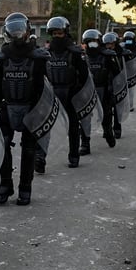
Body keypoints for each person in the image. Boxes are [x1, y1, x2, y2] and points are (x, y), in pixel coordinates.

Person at [0, 12, 49, 206]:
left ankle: (25, 187)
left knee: (29, 150)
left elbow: (42, 88)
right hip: (8, 107)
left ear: (27, 31)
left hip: (30, 108)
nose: (17, 34)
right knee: (3, 145)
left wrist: (39, 113)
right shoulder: (3, 57)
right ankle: (5, 184)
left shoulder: (38, 57)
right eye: (13, 31)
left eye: (20, 30)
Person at [45, 16, 88, 169]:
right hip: (52, 94)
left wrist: (76, 93)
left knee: (73, 126)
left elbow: (84, 76)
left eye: (60, 34)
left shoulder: (75, 52)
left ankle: (74, 156)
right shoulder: (46, 53)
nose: (57, 37)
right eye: (54, 34)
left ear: (66, 33)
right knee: (44, 127)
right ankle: (40, 158)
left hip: (70, 92)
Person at [83, 29, 120, 150]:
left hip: (104, 89)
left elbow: (117, 73)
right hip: (87, 91)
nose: (92, 44)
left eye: (94, 41)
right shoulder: (83, 57)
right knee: (85, 118)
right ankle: (85, 144)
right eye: (89, 41)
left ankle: (109, 133)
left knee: (106, 115)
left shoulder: (107, 55)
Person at [103, 32, 133, 139]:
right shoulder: (102, 54)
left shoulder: (121, 53)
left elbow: (128, 67)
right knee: (106, 110)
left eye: (111, 44)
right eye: (107, 44)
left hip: (118, 83)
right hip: (106, 84)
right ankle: (107, 129)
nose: (109, 46)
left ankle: (117, 128)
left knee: (117, 108)